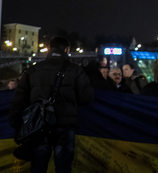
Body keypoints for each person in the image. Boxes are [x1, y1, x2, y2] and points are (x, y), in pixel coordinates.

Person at [9, 36, 94, 173]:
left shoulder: (33, 70)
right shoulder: (75, 70)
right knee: (63, 166)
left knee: (38, 165)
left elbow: (19, 99)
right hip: (65, 125)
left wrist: (16, 123)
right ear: (67, 49)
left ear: (49, 49)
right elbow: (86, 97)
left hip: (39, 125)